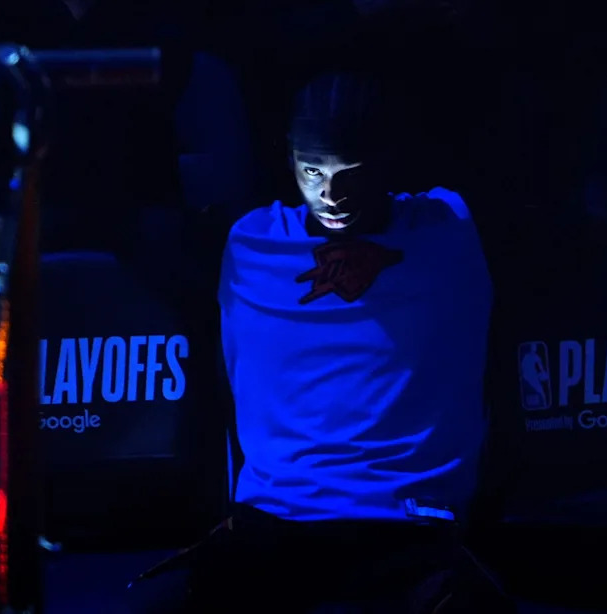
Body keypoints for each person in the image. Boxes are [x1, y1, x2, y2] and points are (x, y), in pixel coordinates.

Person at [129, 70, 501, 613]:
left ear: (386, 164)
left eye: (351, 173)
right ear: (289, 161)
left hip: (410, 527)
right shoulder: (251, 243)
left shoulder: (449, 229)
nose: (332, 195)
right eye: (313, 171)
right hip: (275, 524)